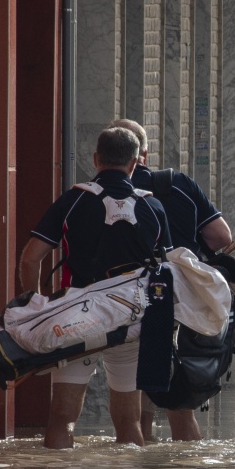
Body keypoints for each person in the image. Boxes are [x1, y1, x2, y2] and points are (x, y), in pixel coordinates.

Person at [18, 127, 172, 449]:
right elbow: (166, 273)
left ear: (95, 159)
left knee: (62, 419)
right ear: (134, 164)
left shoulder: (73, 200)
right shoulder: (153, 208)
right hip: (129, 320)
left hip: (77, 320)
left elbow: (31, 259)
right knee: (129, 422)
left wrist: (34, 306)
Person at [110, 118, 235, 442]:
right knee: (180, 405)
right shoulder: (177, 185)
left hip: (127, 303)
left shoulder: (104, 193)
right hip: (180, 304)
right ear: (144, 154)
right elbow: (221, 236)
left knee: (136, 406)